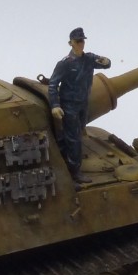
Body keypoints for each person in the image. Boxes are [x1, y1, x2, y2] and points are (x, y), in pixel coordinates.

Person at [47, 27, 111, 183]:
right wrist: (55, 105)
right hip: (69, 105)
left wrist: (106, 61)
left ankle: (67, 159)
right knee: (74, 138)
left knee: (78, 133)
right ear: (71, 43)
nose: (80, 44)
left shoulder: (89, 59)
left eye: (82, 41)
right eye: (77, 41)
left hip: (83, 103)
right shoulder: (65, 63)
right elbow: (53, 84)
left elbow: (105, 64)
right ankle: (74, 172)